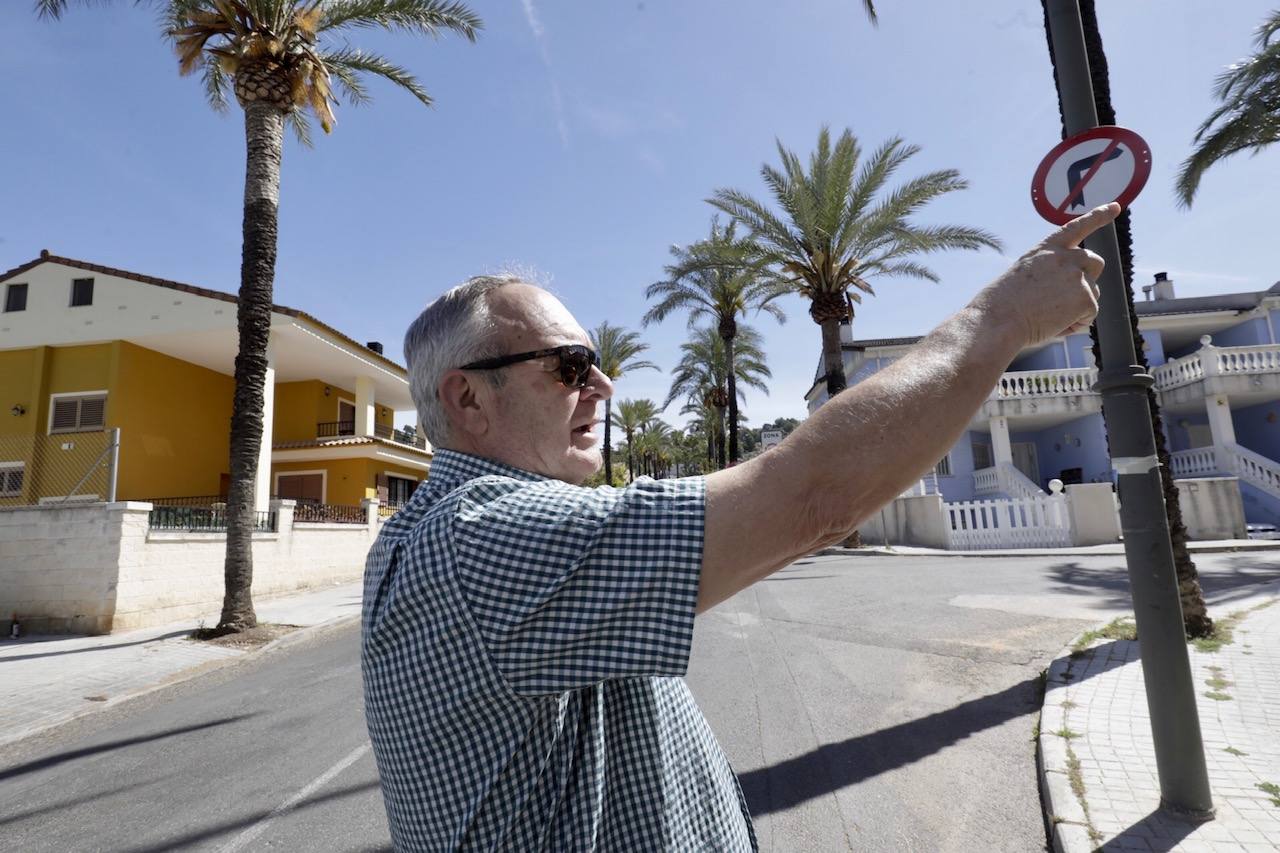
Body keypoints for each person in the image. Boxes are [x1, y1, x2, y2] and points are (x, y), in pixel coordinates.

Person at [361, 203, 1120, 851]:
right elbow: (813, 497)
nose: (603, 382)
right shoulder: (484, 539)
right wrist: (1005, 316)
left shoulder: (447, 533)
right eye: (567, 365)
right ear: (466, 399)